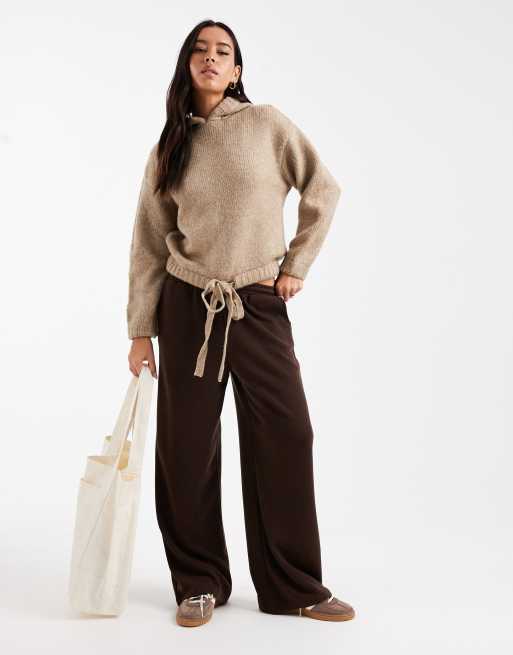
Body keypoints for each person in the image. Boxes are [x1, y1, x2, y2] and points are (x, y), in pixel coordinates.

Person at [126, 19, 356, 628]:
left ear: (236, 70)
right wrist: (140, 329)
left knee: (287, 434)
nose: (211, 57)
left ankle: (294, 586)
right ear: (187, 65)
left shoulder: (267, 124)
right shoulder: (170, 145)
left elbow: (323, 189)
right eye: (199, 50)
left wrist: (295, 265)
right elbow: (149, 239)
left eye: (222, 51)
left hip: (256, 302)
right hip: (188, 306)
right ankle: (199, 582)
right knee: (186, 448)